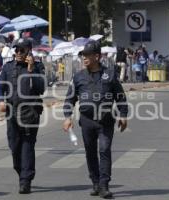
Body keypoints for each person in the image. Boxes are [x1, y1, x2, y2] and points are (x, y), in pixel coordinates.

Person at [62, 40, 128, 199]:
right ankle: (95, 182)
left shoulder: (110, 75)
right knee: (90, 152)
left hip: (105, 120)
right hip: (87, 121)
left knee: (104, 150)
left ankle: (104, 185)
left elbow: (120, 97)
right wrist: (67, 117)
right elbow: (70, 99)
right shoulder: (78, 77)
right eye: (82, 55)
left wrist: (123, 115)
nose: (84, 58)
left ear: (97, 56)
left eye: (87, 55)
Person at [0, 38, 45, 194]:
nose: (18, 53)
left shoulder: (38, 67)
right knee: (14, 146)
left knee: (27, 145)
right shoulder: (8, 67)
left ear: (29, 51)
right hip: (12, 112)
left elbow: (41, 88)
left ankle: (25, 180)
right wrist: (0, 101)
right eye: (16, 50)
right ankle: (21, 172)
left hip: (30, 112)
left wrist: (31, 70)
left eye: (21, 50)